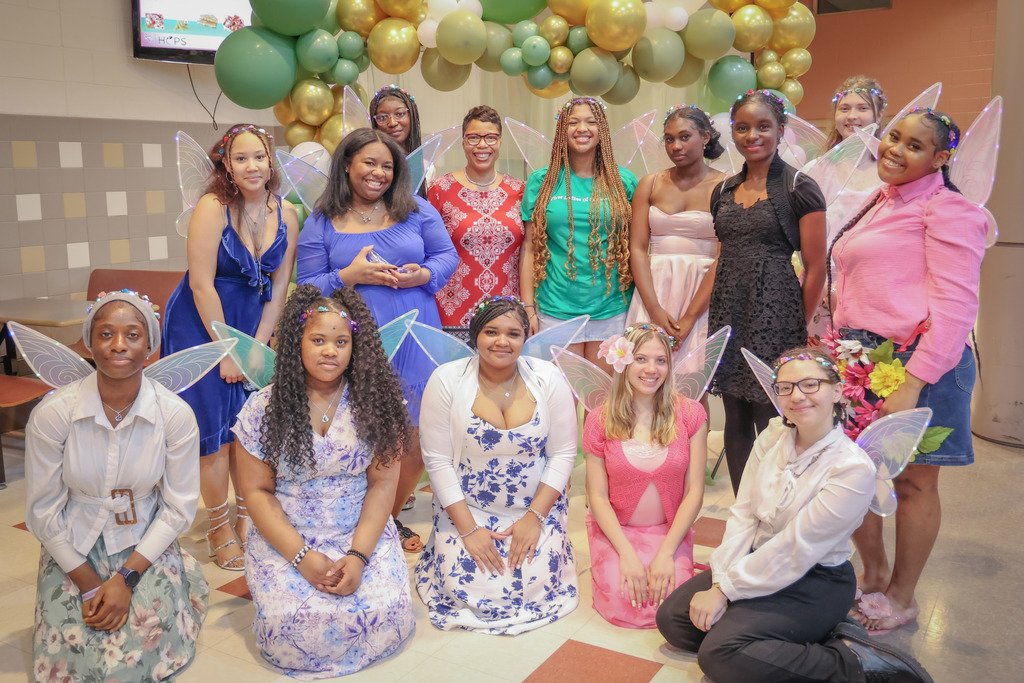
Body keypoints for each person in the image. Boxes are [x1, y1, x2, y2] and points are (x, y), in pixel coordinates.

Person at [655, 348, 933, 683]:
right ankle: (780, 634)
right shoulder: (773, 436)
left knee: (720, 653)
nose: (796, 396)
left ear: (837, 391)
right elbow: (743, 515)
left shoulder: (852, 468)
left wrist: (726, 592)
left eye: (810, 384)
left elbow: (796, 548)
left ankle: (855, 662)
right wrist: (721, 579)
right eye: (785, 387)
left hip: (815, 578)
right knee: (674, 620)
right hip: (758, 559)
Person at [830, 108, 986, 635]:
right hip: (860, 362)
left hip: (919, 361)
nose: (896, 149)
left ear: (940, 159)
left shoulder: (948, 210)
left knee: (915, 484)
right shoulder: (879, 200)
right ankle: (872, 574)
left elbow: (958, 306)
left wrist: (915, 380)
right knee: (858, 474)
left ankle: (903, 594)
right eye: (893, 136)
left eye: (914, 146)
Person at [233, 285, 415, 678]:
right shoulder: (263, 407)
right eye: (318, 340)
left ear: (355, 348)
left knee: (384, 610)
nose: (329, 351)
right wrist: (302, 558)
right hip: (287, 535)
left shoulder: (377, 405)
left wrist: (359, 556)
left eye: (340, 341)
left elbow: (383, 485)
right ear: (296, 343)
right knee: (294, 624)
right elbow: (256, 492)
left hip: (359, 530)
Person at [26, 290, 208, 682]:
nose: (119, 345)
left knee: (139, 644)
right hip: (74, 540)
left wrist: (127, 578)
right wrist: (88, 582)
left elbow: (178, 508)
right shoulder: (55, 414)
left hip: (144, 540)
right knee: (74, 649)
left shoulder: (174, 415)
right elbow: (42, 510)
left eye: (132, 334)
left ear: (151, 346)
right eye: (106, 334)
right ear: (89, 341)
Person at [297, 127, 458, 553]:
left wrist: (424, 275)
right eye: (369, 162)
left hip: (417, 333)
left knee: (417, 438)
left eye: (387, 165)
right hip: (354, 340)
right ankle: (351, 521)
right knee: (363, 434)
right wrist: (349, 276)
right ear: (347, 165)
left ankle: (383, 524)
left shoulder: (417, 209)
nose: (378, 173)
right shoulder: (320, 221)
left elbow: (446, 257)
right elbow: (307, 286)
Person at [162, 123, 299, 570]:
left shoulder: (288, 212)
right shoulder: (212, 207)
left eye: (258, 156)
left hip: (253, 326)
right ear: (226, 163)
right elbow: (201, 284)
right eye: (241, 158)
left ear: (270, 159)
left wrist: (256, 347)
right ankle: (219, 526)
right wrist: (228, 350)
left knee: (250, 431)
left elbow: (280, 289)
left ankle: (249, 518)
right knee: (214, 435)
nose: (252, 165)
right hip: (202, 325)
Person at [414, 297, 579, 634]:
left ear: (525, 338)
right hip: (466, 510)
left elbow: (563, 454)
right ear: (475, 335)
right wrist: (469, 531)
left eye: (513, 334)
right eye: (491, 332)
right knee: (475, 588)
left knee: (533, 582)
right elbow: (438, 462)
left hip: (533, 509)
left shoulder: (549, 378)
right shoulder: (446, 380)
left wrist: (534, 518)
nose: (502, 342)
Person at [707, 90, 827, 495]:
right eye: (742, 127)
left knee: (772, 420)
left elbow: (815, 267)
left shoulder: (799, 186)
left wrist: (797, 328)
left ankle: (774, 512)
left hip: (776, 315)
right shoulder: (723, 190)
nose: (751, 135)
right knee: (735, 419)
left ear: (781, 130)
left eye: (763, 126)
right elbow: (723, 254)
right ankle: (744, 517)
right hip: (728, 310)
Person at [584, 324, 707, 629]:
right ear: (623, 361)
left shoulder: (691, 414)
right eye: (641, 359)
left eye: (661, 360)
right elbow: (596, 497)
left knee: (673, 604)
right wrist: (625, 553)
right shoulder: (599, 419)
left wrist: (667, 553)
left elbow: (694, 491)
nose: (651, 369)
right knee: (623, 600)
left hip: (669, 531)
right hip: (617, 531)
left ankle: (678, 560)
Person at [521, 97, 638, 367]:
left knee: (603, 402)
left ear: (603, 131)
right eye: (573, 122)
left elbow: (637, 246)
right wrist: (529, 308)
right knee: (561, 401)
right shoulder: (542, 181)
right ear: (562, 129)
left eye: (591, 121)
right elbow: (529, 247)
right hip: (555, 309)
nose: (581, 128)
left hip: (612, 310)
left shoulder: (624, 182)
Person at [627, 105, 725, 361]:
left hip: (703, 292)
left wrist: (691, 316)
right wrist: (654, 309)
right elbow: (637, 248)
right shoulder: (650, 183)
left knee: (694, 379)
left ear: (705, 137)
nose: (676, 146)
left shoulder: (726, 187)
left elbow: (725, 255)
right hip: (654, 287)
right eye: (669, 139)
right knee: (645, 372)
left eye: (684, 137)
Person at [429, 105, 525, 341]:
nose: (482, 145)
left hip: (506, 314)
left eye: (490, 137)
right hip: (451, 314)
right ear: (463, 142)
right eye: (473, 138)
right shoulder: (440, 190)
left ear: (500, 142)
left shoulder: (520, 191)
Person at [809, 76, 888, 340]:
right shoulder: (816, 171)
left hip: (872, 286)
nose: (852, 116)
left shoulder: (891, 172)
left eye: (862, 108)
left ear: (879, 114)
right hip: (823, 286)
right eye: (844, 108)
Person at [370, 84, 428, 198]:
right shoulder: (371, 167)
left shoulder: (426, 167)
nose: (392, 123)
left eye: (400, 114)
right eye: (382, 117)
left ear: (412, 116)